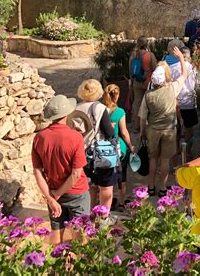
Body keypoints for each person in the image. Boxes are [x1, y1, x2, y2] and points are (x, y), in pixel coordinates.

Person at [31, 95, 90, 245]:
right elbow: (76, 174)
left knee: (56, 236)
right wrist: (57, 194)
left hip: (53, 192)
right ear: (67, 113)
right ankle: (76, 267)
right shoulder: (75, 137)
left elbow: (37, 171)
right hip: (76, 193)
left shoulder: (39, 137)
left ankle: (57, 266)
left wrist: (51, 198)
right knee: (80, 237)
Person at [139, 47, 188, 196]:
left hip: (153, 129)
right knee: (165, 159)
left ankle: (151, 186)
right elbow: (185, 74)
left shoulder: (148, 95)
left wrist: (142, 132)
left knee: (153, 158)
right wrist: (181, 58)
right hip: (169, 129)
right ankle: (162, 188)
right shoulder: (172, 88)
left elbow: (142, 117)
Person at [76, 79, 116, 210]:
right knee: (105, 187)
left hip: (82, 152)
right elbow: (109, 133)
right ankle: (103, 217)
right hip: (100, 152)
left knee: (90, 186)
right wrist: (111, 126)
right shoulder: (100, 108)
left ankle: (89, 214)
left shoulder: (76, 108)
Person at [103, 84, 135, 211]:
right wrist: (131, 146)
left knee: (106, 176)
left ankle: (105, 202)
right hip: (118, 147)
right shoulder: (120, 112)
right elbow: (124, 132)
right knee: (122, 175)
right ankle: (121, 202)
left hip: (104, 147)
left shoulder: (101, 110)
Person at [129, 36, 157, 132]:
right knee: (150, 104)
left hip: (136, 82)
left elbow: (130, 70)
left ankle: (137, 126)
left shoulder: (133, 55)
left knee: (137, 103)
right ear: (146, 44)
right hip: (148, 83)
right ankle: (149, 125)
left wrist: (132, 82)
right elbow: (155, 69)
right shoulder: (150, 55)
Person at [176, 48, 198, 157]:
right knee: (189, 129)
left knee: (177, 129)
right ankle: (188, 151)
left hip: (176, 103)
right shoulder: (191, 68)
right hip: (188, 102)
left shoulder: (172, 68)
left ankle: (178, 150)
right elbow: (194, 84)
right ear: (188, 57)